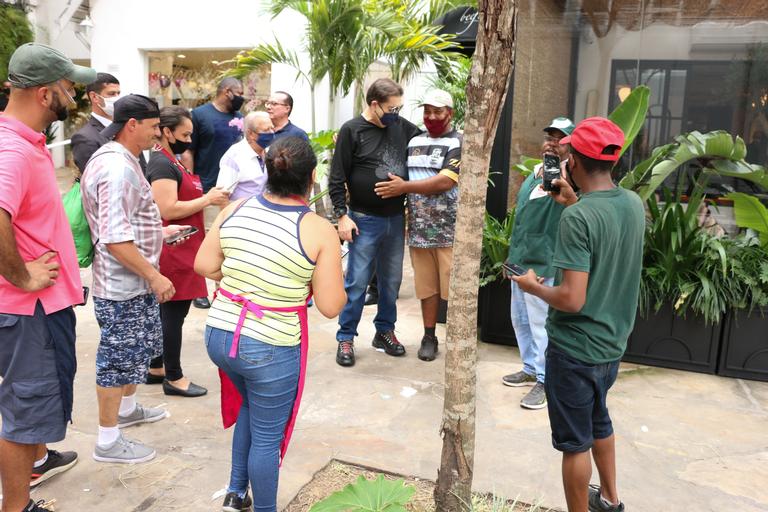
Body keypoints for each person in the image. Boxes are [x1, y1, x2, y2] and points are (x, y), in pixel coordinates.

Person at [195, 136, 345, 512]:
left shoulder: (236, 209)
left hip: (221, 335)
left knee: (250, 405)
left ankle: (235, 491)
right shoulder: (318, 228)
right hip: (269, 346)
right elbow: (330, 305)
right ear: (312, 177)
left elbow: (204, 265)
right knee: (266, 437)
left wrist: (246, 277)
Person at [511, 117, 644, 512]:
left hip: (574, 348)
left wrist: (533, 286)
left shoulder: (578, 218)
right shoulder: (631, 203)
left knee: (574, 445)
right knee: (599, 420)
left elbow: (571, 299)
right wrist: (573, 201)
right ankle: (610, 499)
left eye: (567, 152)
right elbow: (605, 238)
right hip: (611, 345)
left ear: (577, 163)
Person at [0, 42, 95, 512]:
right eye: (68, 86)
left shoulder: (24, 142)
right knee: (24, 414)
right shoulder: (12, 148)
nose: (73, 95)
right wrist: (22, 275)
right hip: (27, 310)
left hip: (37, 309)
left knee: (28, 410)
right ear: (43, 94)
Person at [81, 94, 188, 464]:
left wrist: (159, 233)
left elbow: (128, 222)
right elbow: (113, 237)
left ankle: (127, 410)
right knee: (116, 360)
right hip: (122, 286)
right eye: (154, 126)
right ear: (132, 125)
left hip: (132, 281)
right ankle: (108, 441)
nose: (158, 134)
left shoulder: (123, 159)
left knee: (135, 354)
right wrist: (154, 276)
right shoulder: (117, 169)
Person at [329, 78, 421, 367]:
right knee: (356, 282)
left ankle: (384, 332)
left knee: (391, 282)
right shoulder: (352, 130)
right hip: (363, 220)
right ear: (374, 104)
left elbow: (424, 147)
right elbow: (337, 176)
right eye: (391, 108)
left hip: (395, 219)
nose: (396, 113)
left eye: (399, 107)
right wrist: (342, 215)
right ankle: (346, 337)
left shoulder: (402, 127)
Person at [146, 106, 230, 396]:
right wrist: (207, 199)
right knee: (172, 314)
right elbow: (167, 208)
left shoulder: (175, 160)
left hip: (186, 247)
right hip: (173, 250)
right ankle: (174, 376)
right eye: (185, 134)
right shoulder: (161, 164)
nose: (189, 139)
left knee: (170, 313)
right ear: (167, 132)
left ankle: (157, 366)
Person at [374, 89, 461, 362]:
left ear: (450, 113)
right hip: (420, 232)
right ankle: (429, 336)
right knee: (427, 289)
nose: (432, 116)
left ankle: (459, 342)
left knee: (455, 291)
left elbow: (446, 181)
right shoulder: (415, 141)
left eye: (438, 111)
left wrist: (404, 187)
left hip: (451, 233)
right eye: (427, 111)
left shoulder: (460, 142)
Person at [502, 117, 574, 410]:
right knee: (520, 319)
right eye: (550, 136)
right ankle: (530, 366)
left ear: (570, 146)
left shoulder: (570, 179)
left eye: (561, 138)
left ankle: (546, 379)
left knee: (541, 323)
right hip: (521, 259)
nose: (553, 142)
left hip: (544, 263)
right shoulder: (534, 173)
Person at [181, 77, 245, 310]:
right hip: (208, 185)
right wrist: (192, 182)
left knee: (228, 241)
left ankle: (225, 288)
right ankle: (200, 289)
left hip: (234, 190)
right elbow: (189, 151)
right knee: (204, 239)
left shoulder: (240, 118)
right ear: (227, 91)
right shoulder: (199, 115)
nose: (242, 97)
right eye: (239, 92)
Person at [70, 73, 124, 174]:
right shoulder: (84, 138)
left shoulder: (125, 128)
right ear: (94, 97)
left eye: (118, 93)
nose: (117, 98)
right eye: (111, 94)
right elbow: (94, 179)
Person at [215, 111, 275, 200]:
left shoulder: (268, 152)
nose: (271, 133)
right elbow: (222, 196)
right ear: (251, 134)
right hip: (240, 211)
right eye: (266, 130)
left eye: (272, 128)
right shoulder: (234, 157)